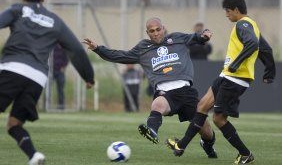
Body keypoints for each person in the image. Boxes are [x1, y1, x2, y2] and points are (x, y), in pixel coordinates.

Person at [83, 17, 218, 158]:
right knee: (157, 104)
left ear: (163, 28)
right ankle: (152, 131)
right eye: (152, 31)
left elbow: (197, 38)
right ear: (147, 33)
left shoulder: (177, 38)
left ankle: (208, 145)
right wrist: (98, 49)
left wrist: (205, 35)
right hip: (165, 92)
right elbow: (120, 55)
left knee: (206, 131)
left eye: (158, 30)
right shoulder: (143, 48)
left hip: (185, 90)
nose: (155, 33)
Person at [166, 0, 276, 164]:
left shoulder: (243, 24)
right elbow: (266, 49)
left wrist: (236, 63)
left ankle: (246, 154)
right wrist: (270, 72)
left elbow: (253, 44)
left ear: (236, 10)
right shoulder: (252, 25)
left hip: (235, 78)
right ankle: (180, 146)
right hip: (226, 76)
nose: (226, 15)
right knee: (202, 106)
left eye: (228, 11)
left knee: (218, 119)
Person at [0, 0, 95, 164]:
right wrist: (88, 76)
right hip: (37, 78)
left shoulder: (17, 9)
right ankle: (34, 156)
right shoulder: (55, 21)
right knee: (14, 124)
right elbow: (76, 49)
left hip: (13, 68)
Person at [52, 44, 69, 110]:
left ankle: (61, 107)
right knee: (48, 89)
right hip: (52, 72)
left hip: (60, 72)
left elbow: (66, 59)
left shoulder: (64, 48)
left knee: (60, 90)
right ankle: (46, 106)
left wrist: (63, 67)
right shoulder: (52, 47)